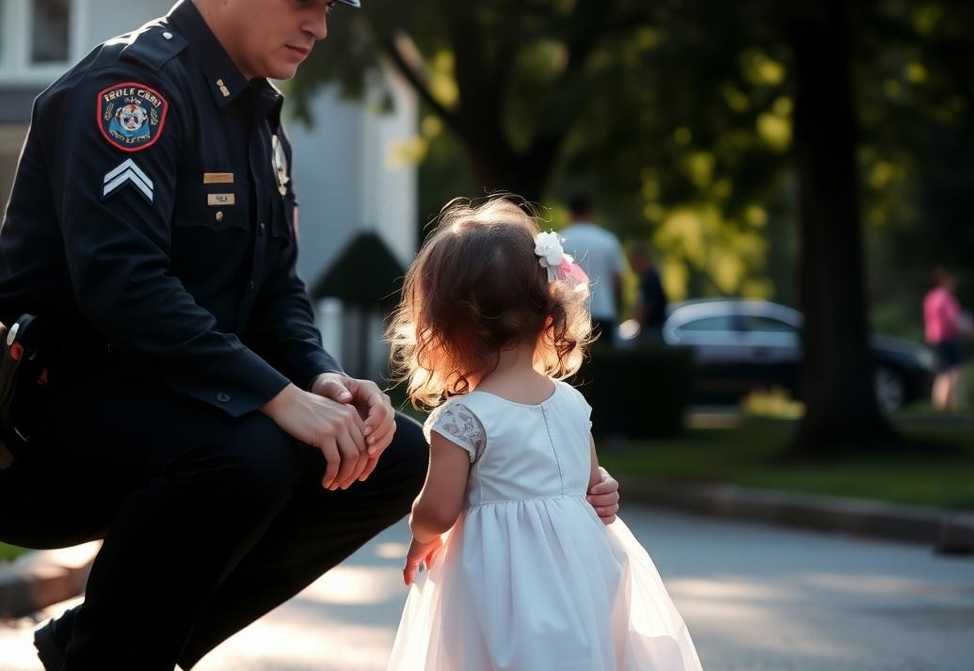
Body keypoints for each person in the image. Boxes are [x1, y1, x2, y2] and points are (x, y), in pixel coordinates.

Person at [0, 2, 624, 668]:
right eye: (305, 2)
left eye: (327, 8)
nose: (320, 28)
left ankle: (106, 645)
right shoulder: (131, 92)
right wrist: (276, 395)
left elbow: (277, 293)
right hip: (50, 427)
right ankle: (115, 651)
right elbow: (123, 286)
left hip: (182, 413)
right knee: (258, 448)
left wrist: (323, 377)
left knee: (393, 457)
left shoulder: (258, 121)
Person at [384, 198, 702, 671]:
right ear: (547, 313)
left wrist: (420, 531)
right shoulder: (571, 402)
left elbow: (438, 509)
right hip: (583, 573)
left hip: (500, 585)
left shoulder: (463, 419)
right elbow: (590, 480)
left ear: (447, 330)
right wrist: (605, 490)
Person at [559, 194, 626, 344]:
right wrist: (617, 307)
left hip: (570, 314)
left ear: (570, 213)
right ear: (591, 213)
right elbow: (617, 279)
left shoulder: (559, 241)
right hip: (603, 310)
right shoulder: (608, 240)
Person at [923, 268, 971, 411]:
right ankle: (952, 404)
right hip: (948, 337)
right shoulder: (946, 297)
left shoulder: (930, 297)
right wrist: (971, 330)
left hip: (934, 338)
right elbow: (954, 319)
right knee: (955, 371)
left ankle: (939, 405)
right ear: (944, 281)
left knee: (942, 372)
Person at [628, 241, 668, 344]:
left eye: (632, 261)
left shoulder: (650, 278)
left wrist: (639, 323)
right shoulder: (649, 277)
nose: (631, 266)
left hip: (651, 331)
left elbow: (647, 305)